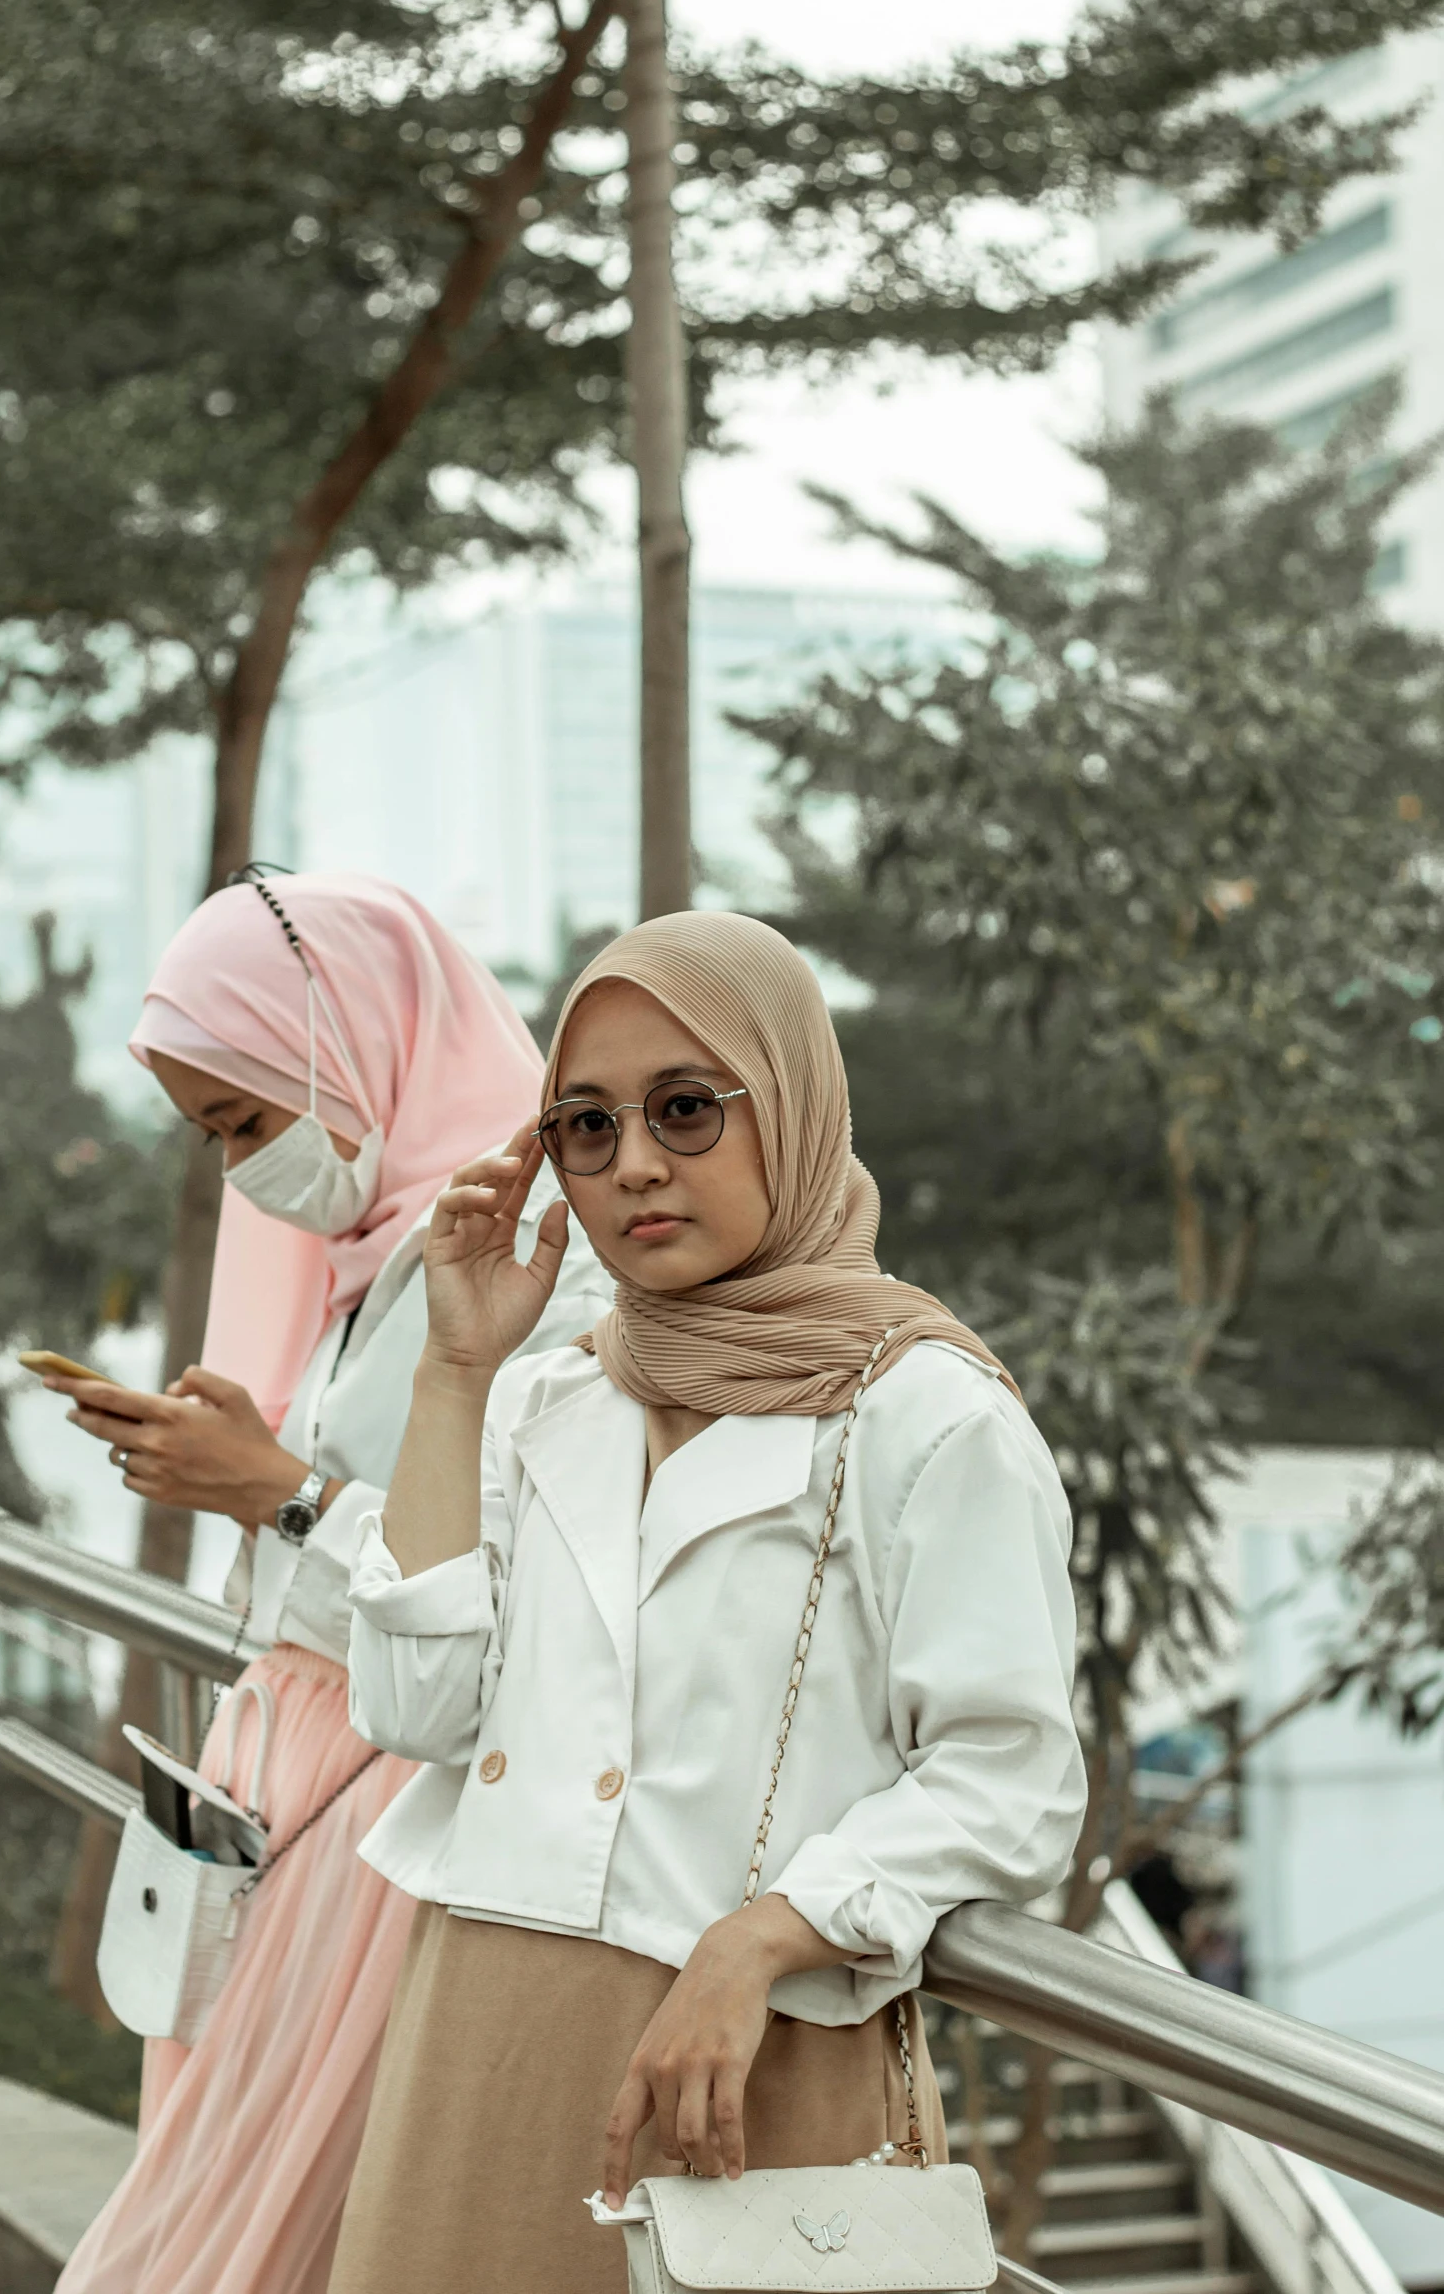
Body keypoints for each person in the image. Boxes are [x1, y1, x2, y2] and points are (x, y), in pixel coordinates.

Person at [329, 908, 1088, 2294]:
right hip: (473, 2032)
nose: (635, 1165)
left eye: (685, 1108)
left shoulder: (926, 1413)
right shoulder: (544, 1396)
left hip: (746, 2057)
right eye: (585, 1125)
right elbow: (413, 1706)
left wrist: (765, 1935)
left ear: (788, 1106)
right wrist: (451, 1369)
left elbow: (1013, 1775)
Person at [44, 871, 610, 2294]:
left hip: (374, 1816)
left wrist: (269, 1486)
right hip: (290, 1806)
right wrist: (248, 1458)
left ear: (354, 1044)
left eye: (245, 1117)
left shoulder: (530, 1266)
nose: (239, 1169)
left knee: (221, 2247)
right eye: (211, 1133)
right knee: (219, 2215)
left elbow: (519, 1577)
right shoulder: (379, 1258)